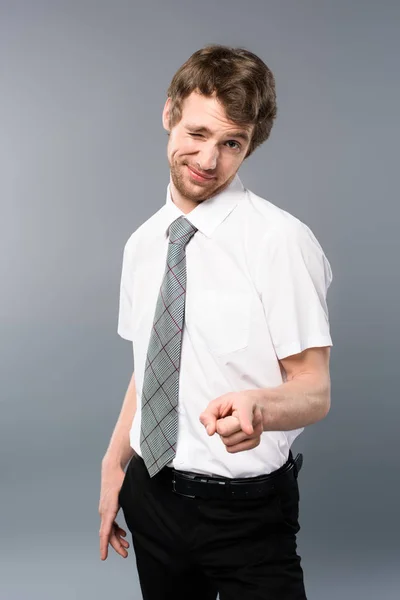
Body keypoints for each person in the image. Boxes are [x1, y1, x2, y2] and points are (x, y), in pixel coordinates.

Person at [99, 44, 333, 600]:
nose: (209, 159)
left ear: (251, 145)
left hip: (245, 512)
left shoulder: (280, 241)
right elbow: (152, 366)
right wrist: (114, 468)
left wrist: (262, 405)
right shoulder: (142, 244)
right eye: (198, 134)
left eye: (232, 143)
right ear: (169, 113)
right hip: (151, 498)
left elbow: (315, 391)